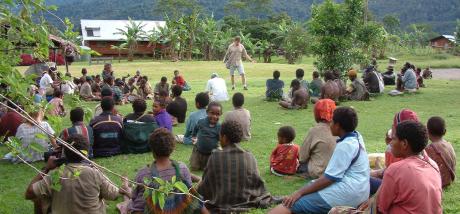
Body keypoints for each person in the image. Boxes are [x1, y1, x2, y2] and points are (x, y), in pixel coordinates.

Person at [269, 107, 370, 214]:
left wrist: (299, 193)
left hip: (346, 194)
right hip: (362, 191)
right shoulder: (357, 137)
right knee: (308, 189)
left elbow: (329, 179)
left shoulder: (345, 146)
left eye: (332, 121)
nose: (330, 124)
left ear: (338, 125)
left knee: (288, 205)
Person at [25, 134, 130, 214]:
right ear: (86, 153)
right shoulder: (94, 173)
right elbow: (113, 195)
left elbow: (29, 194)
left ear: (64, 152)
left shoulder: (56, 175)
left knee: (41, 195)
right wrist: (124, 186)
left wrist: (46, 168)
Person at [122, 128, 208, 214]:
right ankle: (125, 189)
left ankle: (125, 191)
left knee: (128, 204)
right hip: (178, 210)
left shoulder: (144, 173)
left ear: (152, 149)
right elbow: (189, 196)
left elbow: (138, 206)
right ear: (173, 148)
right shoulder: (182, 168)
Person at [198, 120, 275, 212]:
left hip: (219, 205)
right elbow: (257, 182)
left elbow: (206, 186)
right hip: (245, 203)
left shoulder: (215, 156)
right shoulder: (249, 156)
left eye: (220, 136)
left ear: (224, 137)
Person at [378, 121, 442, 214]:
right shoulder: (433, 164)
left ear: (404, 144)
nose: (390, 143)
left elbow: (381, 208)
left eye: (394, 139)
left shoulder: (395, 169)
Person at [297, 99, 337, 178]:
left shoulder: (315, 130)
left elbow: (302, 156)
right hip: (337, 171)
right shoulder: (339, 128)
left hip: (320, 172)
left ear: (317, 113)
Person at [189, 102, 222, 171]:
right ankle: (196, 162)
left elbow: (220, 139)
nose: (214, 116)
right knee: (194, 167)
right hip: (198, 150)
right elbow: (196, 128)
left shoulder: (219, 127)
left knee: (208, 169)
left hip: (210, 153)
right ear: (207, 112)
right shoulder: (201, 122)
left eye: (217, 114)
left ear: (220, 115)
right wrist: (194, 136)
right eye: (212, 113)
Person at [425, 116, 456, 188]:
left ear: (428, 131)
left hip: (440, 182)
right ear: (444, 131)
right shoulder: (448, 144)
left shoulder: (431, 149)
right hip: (449, 179)